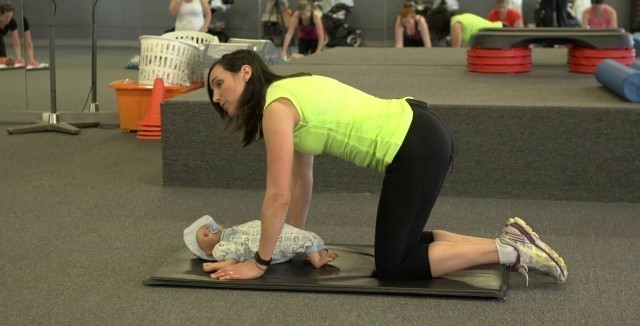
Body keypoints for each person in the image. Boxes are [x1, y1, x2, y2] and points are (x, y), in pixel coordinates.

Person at [203, 49, 568, 286]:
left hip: (414, 145)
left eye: (220, 84)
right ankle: (509, 241)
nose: (216, 97)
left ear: (246, 73)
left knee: (393, 266)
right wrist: (298, 242)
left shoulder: (276, 108)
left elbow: (277, 195)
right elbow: (301, 183)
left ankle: (510, 252)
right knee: (401, 246)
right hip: (420, 132)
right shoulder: (291, 92)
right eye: (212, 92)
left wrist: (260, 262)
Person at [183, 215, 339, 274]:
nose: (211, 230)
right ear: (208, 251)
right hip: (265, 246)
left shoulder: (231, 230)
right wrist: (217, 265)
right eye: (206, 235)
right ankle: (316, 261)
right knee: (299, 238)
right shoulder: (220, 248)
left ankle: (320, 252)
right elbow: (233, 258)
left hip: (266, 231)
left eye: (209, 227)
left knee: (307, 235)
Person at [428, 7, 504, 48]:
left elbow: (455, 51)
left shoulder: (455, 24)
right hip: (500, 31)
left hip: (499, 34)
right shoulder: (458, 19)